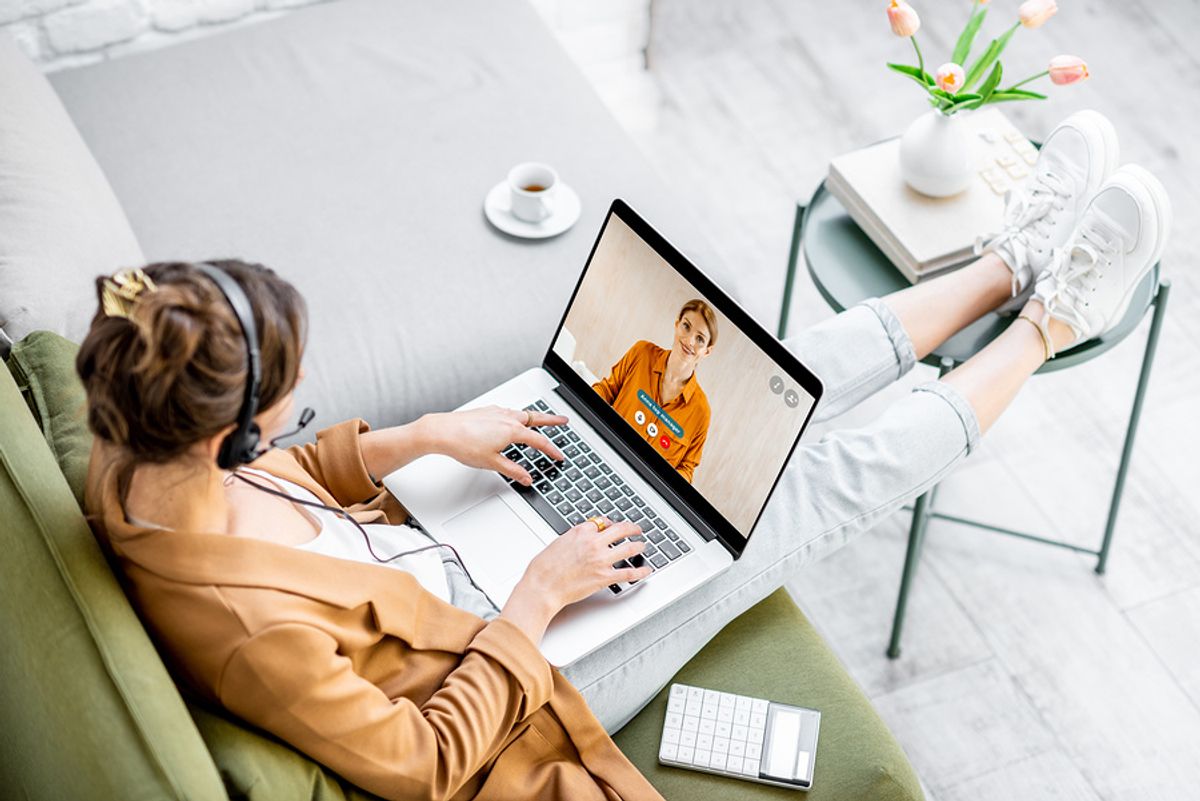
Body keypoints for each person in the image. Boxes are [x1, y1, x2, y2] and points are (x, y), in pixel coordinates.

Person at [79, 110, 1169, 800]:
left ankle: (1004, 264)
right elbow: (420, 766)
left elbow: (299, 480)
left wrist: (425, 437)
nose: (300, 407)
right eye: (290, 396)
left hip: (443, 546)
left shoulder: (138, 445)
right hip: (513, 669)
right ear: (230, 432)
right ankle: (1051, 319)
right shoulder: (248, 635)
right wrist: (538, 598)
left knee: (774, 379)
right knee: (799, 496)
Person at [592, 299, 716, 482]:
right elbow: (606, 390)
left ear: (707, 351)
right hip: (604, 453)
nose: (690, 341)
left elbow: (687, 469)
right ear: (676, 325)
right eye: (686, 326)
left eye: (700, 339)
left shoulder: (701, 412)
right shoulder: (641, 353)